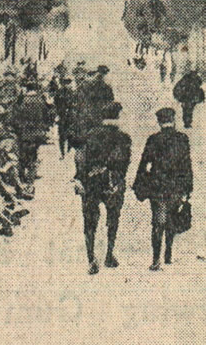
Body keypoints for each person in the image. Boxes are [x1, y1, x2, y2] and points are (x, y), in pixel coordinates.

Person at [73, 102, 131, 275]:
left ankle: (91, 258)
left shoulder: (89, 135)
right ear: (118, 117)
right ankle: (109, 254)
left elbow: (80, 158)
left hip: (91, 182)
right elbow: (124, 163)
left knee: (89, 221)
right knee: (113, 218)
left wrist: (81, 177)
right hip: (112, 183)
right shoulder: (123, 138)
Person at [134, 107, 193, 270]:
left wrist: (139, 183)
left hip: (157, 187)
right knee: (172, 218)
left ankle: (155, 259)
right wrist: (188, 189)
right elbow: (187, 165)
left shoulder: (153, 139)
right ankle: (168, 253)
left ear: (159, 122)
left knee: (158, 222)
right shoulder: (182, 139)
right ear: (174, 120)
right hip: (176, 186)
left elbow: (144, 164)